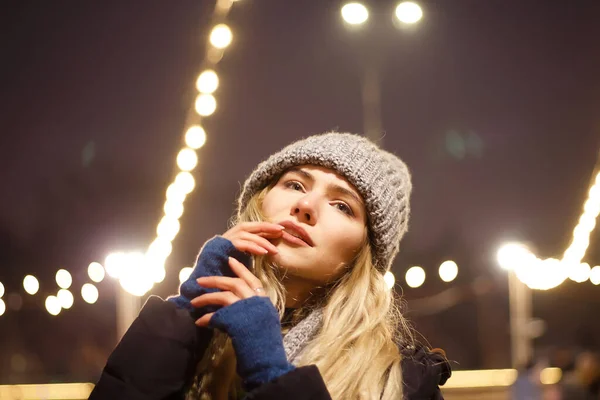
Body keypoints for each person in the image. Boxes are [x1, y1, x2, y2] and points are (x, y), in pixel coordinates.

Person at [89, 132, 451, 399]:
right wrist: (186, 315)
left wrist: (271, 373)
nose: (306, 205)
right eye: (294, 184)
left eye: (343, 206)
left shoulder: (402, 380)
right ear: (261, 203)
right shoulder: (194, 338)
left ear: (362, 254)